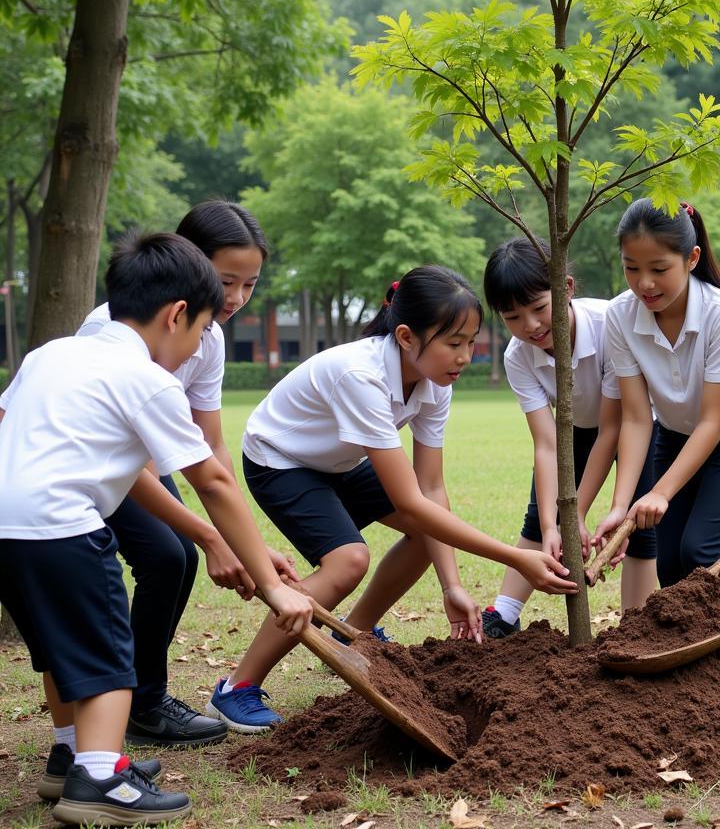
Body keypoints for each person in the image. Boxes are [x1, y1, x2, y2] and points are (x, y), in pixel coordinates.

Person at [0, 232, 313, 827]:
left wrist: (224, 546)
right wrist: (274, 589)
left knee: (61, 649)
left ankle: (68, 755)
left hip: (6, 526)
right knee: (108, 660)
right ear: (176, 315)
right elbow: (213, 482)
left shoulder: (51, 355)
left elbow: (9, 421)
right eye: (200, 330)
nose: (197, 344)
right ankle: (100, 779)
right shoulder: (148, 380)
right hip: (64, 527)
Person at [206, 265, 578, 732]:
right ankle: (236, 688)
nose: (465, 357)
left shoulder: (433, 382)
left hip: (336, 463)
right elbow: (412, 500)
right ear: (406, 336)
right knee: (347, 561)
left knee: (428, 532)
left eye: (471, 342)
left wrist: (451, 586)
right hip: (279, 461)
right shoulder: (360, 376)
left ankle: (352, 636)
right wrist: (515, 558)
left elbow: (431, 491)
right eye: (453, 343)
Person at [76, 200, 272, 749]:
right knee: (170, 554)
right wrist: (210, 535)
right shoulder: (113, 327)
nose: (236, 299)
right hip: (93, 463)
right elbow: (119, 447)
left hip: (136, 460)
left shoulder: (208, 336)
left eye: (250, 284)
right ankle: (135, 707)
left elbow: (209, 443)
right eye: (226, 281)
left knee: (174, 555)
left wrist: (242, 539)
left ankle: (140, 700)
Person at [593, 199, 720, 603]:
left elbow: (712, 422)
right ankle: (691, 654)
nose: (644, 284)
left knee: (700, 552)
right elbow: (638, 419)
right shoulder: (619, 316)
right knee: (669, 562)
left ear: (692, 259)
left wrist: (660, 492)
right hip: (672, 437)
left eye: (659, 269)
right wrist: (622, 504)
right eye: (631, 268)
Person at [480, 238, 657, 638]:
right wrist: (551, 525)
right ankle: (504, 614)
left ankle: (636, 629)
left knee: (639, 525)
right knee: (537, 516)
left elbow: (613, 428)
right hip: (572, 430)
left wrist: (576, 514)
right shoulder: (517, 356)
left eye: (540, 308)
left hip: (637, 423)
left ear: (567, 289)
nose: (531, 326)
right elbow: (545, 443)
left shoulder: (609, 324)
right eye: (513, 317)